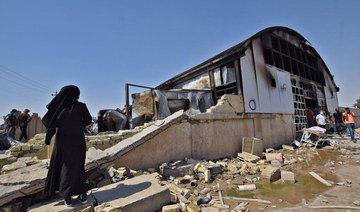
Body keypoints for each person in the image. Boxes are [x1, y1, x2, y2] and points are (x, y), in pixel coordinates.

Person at [42, 85, 92, 206]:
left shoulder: (58, 108)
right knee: (79, 166)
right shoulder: (81, 106)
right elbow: (88, 120)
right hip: (77, 141)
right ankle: (81, 193)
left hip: (62, 142)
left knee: (64, 166)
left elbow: (48, 121)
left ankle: (67, 196)